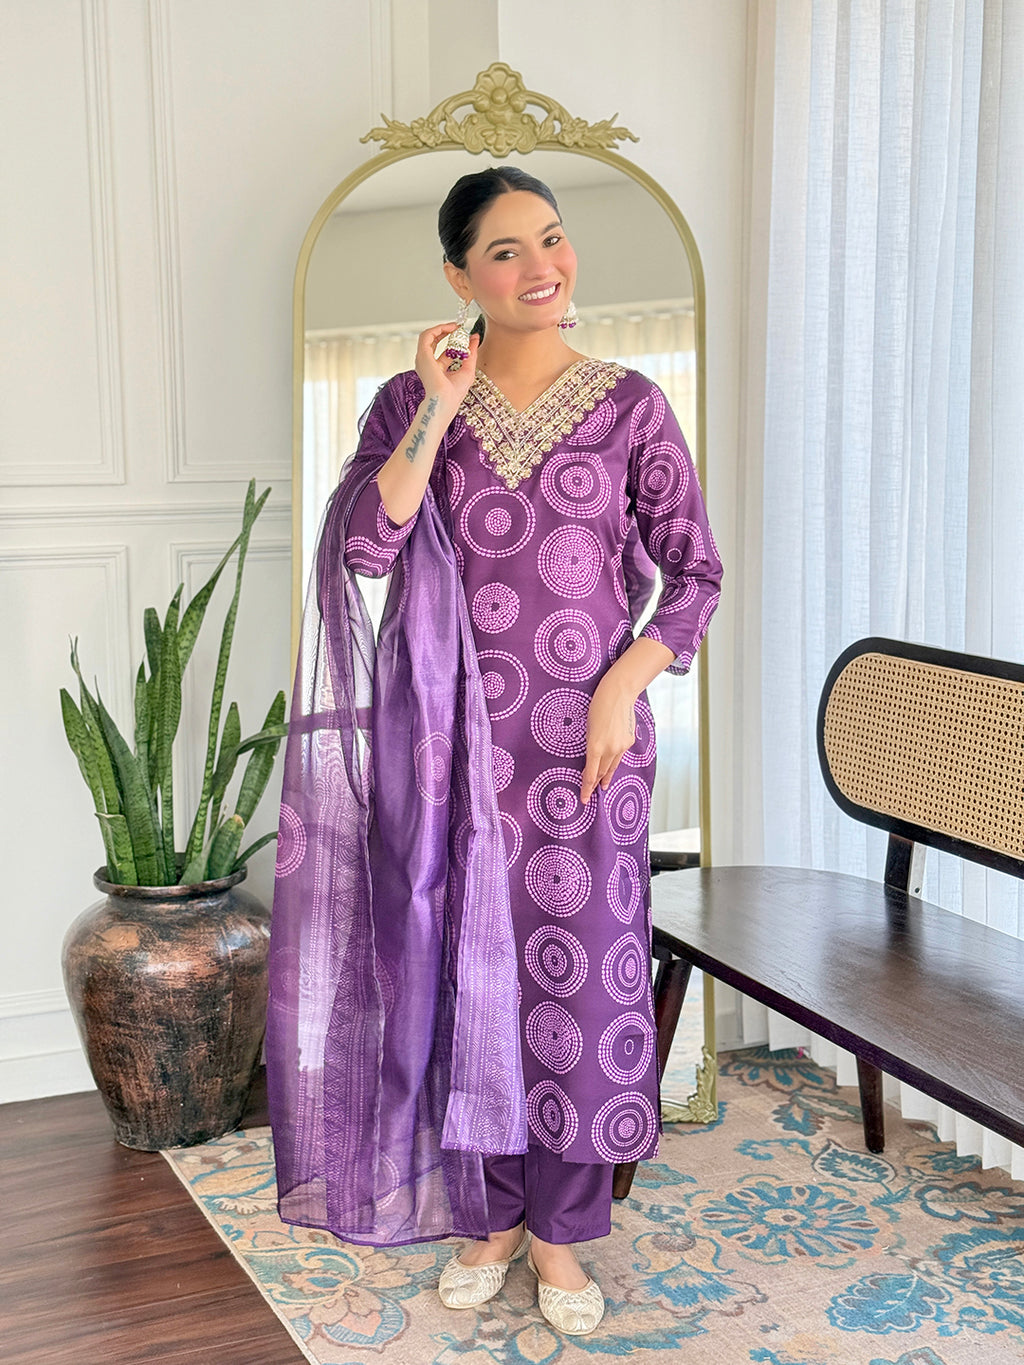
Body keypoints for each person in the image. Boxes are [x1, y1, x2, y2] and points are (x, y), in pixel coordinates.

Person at [266, 166, 722, 1338]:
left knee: (577, 976)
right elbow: (368, 548)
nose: (542, 269)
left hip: (586, 748)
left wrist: (628, 677)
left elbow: (696, 572)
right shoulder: (407, 405)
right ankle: (490, 1216)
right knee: (464, 980)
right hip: (445, 752)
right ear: (459, 277)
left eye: (554, 241)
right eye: (509, 251)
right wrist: (432, 401)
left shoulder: (630, 406)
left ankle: (565, 1234)